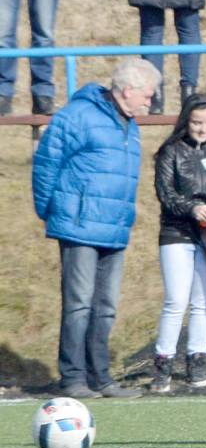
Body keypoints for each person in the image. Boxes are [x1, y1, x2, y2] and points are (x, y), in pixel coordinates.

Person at [31, 58, 161, 399]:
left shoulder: (129, 124)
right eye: (148, 94)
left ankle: (100, 377)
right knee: (78, 304)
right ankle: (73, 378)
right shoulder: (77, 116)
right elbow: (46, 164)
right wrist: (51, 212)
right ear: (128, 90)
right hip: (78, 227)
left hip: (114, 229)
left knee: (106, 306)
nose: (151, 101)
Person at [151, 94, 206, 393]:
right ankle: (163, 362)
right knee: (176, 299)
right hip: (177, 232)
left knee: (203, 301)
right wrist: (191, 207)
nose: (203, 129)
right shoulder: (170, 152)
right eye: (197, 122)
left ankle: (197, 358)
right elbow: (166, 194)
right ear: (186, 121)